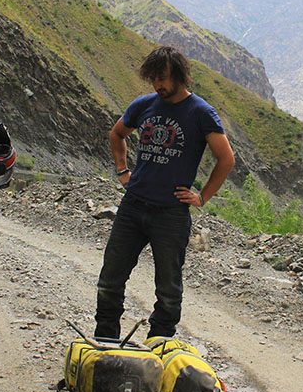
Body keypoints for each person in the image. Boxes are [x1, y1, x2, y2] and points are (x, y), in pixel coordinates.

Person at [94, 46, 235, 339]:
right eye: (154, 79)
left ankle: (159, 347)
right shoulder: (144, 105)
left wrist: (202, 196)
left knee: (168, 290)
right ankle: (105, 340)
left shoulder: (201, 113)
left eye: (163, 78)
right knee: (110, 279)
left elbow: (226, 158)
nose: (158, 85)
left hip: (170, 213)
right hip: (133, 206)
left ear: (180, 76)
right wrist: (122, 170)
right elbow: (117, 133)